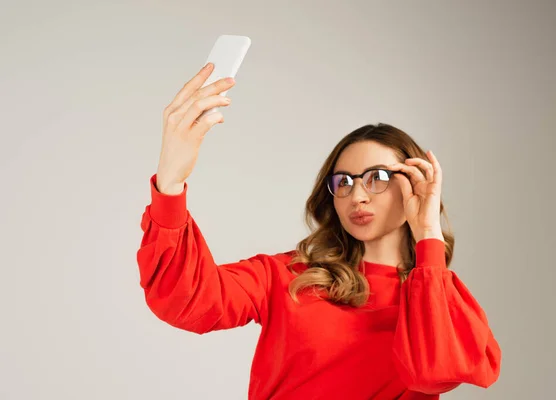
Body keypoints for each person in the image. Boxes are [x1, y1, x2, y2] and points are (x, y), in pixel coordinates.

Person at [136, 62, 502, 399]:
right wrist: (170, 180)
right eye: (343, 182)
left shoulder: (436, 297)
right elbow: (185, 300)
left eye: (378, 178)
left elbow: (435, 372)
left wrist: (427, 234)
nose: (357, 195)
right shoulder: (287, 277)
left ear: (415, 182)